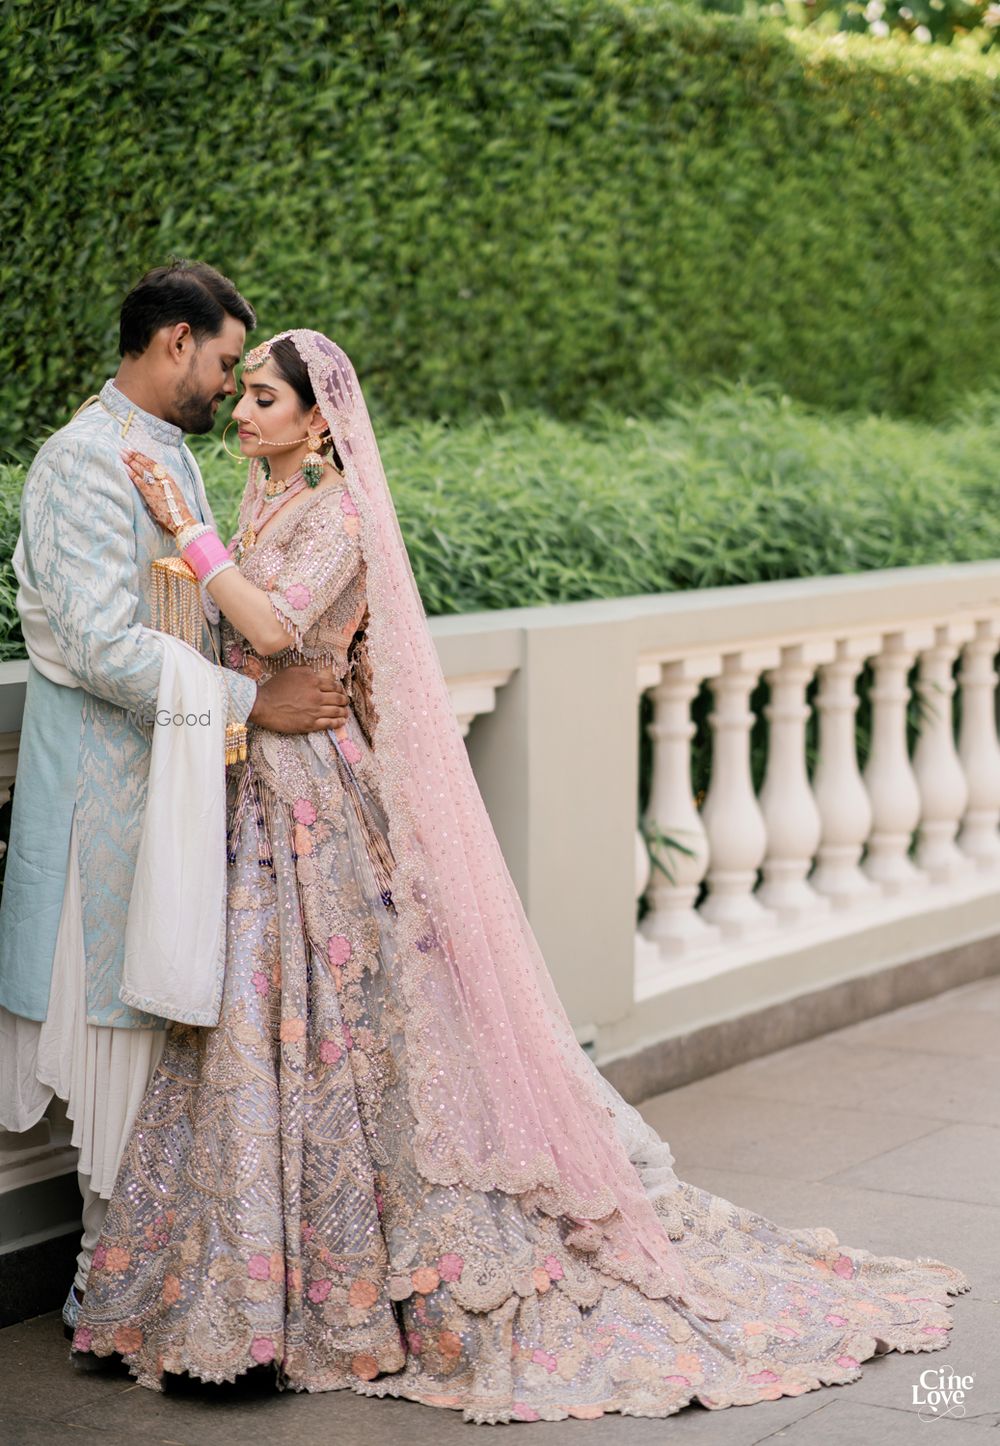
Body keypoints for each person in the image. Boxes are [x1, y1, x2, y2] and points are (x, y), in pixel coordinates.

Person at [73, 330, 967, 1424]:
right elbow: (237, 644)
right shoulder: (262, 506)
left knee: (326, 1038)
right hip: (253, 787)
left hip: (314, 806)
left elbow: (273, 622)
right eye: (244, 395)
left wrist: (188, 533)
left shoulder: (335, 515)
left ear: (318, 422)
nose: (243, 412)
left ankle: (337, 1300)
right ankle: (231, 1297)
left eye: (264, 399)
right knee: (248, 1037)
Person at [0, 270, 348, 1344]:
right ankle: (112, 1290)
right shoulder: (78, 463)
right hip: (105, 797)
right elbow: (104, 647)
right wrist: (257, 705)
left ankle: (140, 1284)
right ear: (174, 342)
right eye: (221, 366)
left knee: (166, 1048)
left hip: (184, 789)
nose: (228, 391)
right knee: (122, 1041)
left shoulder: (179, 459)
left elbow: (204, 611)